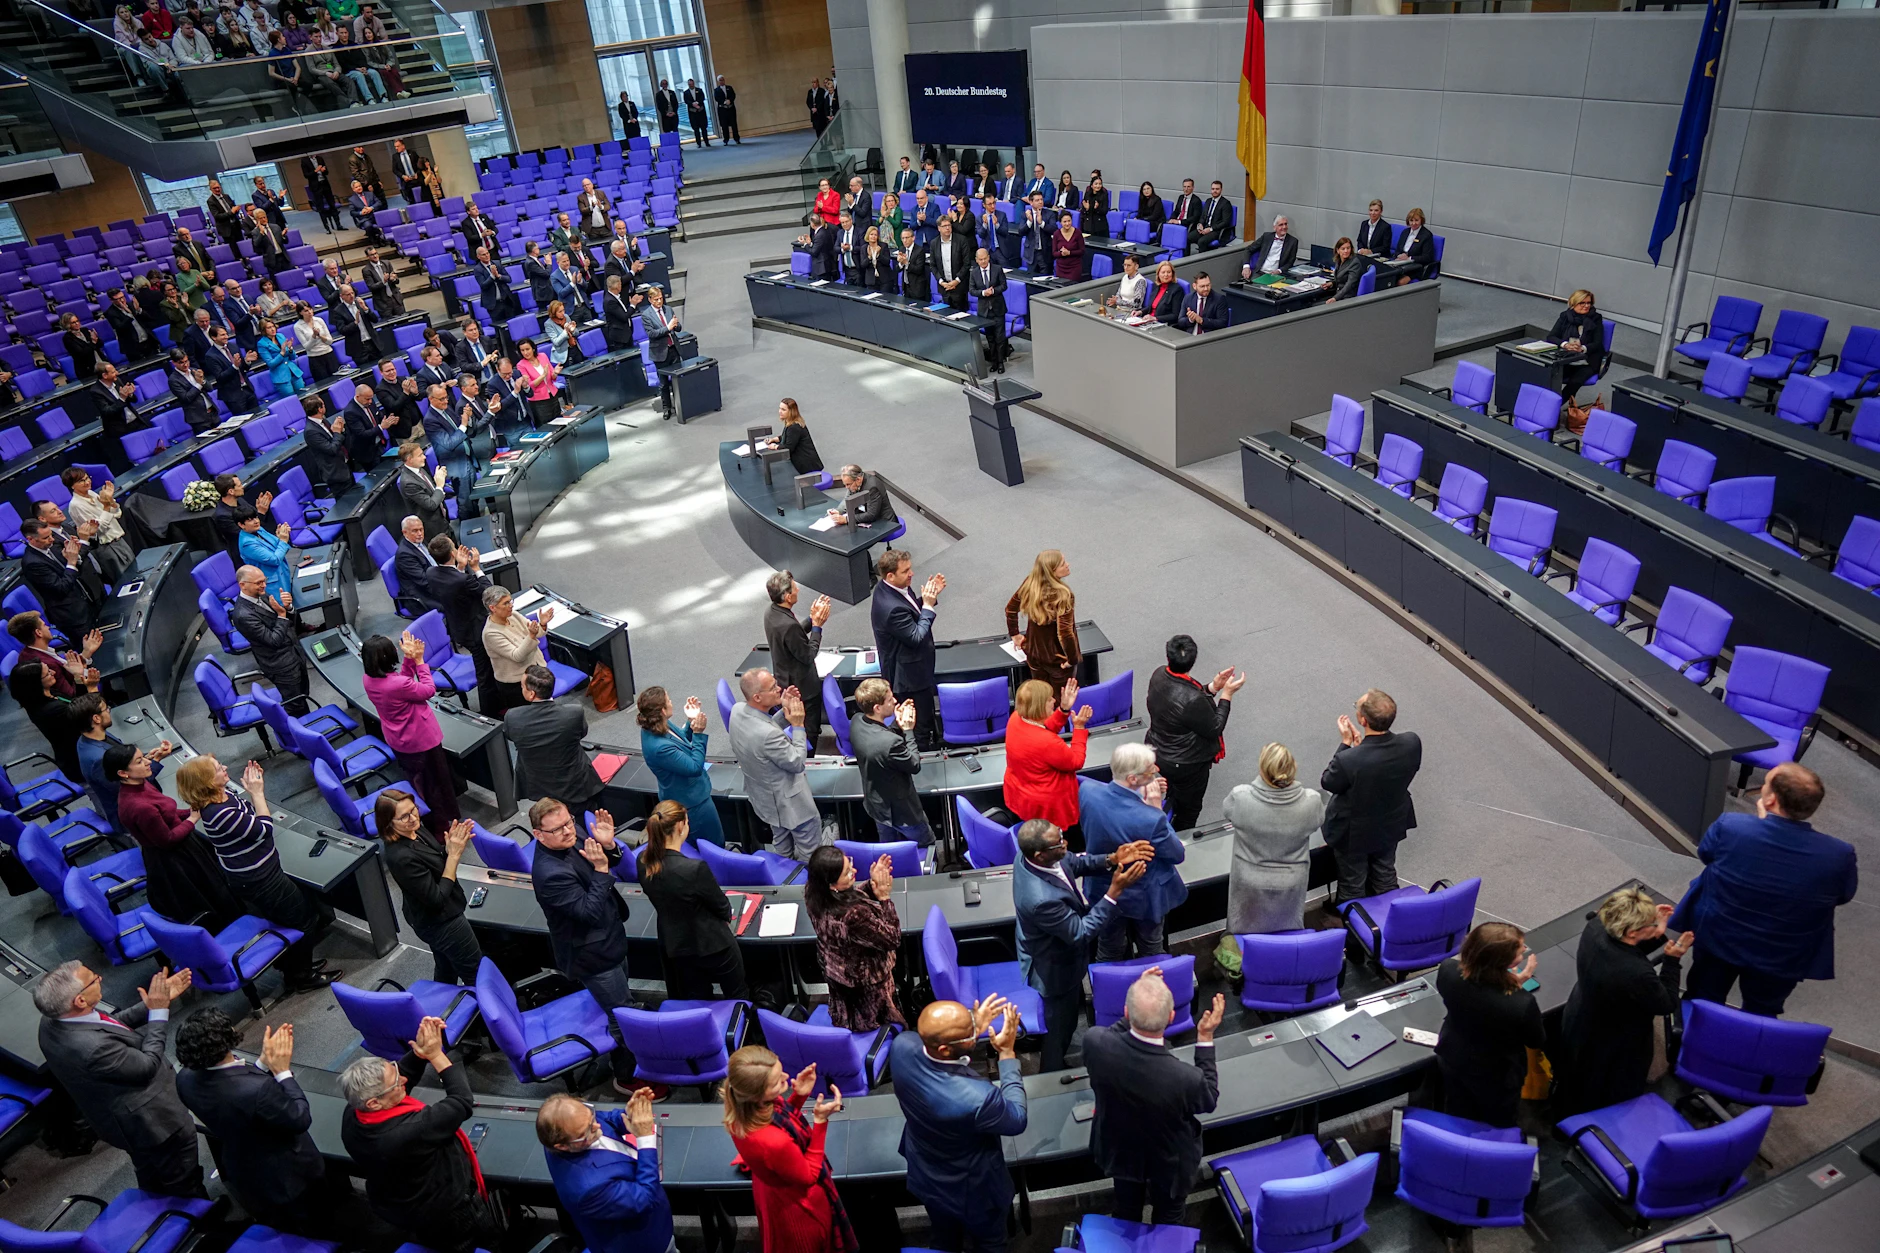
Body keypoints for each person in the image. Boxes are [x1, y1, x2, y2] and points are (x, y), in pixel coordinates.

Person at [1669, 762, 1855, 1017]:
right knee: (1762, 1013)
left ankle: (1688, 1051)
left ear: (1770, 800)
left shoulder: (1731, 827)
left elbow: (1706, 854)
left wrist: (1762, 824)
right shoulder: (1840, 854)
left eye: (1765, 784)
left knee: (1704, 998)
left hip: (1718, 936)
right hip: (1783, 954)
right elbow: (1843, 895)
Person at [35, 962, 203, 1197]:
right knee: (183, 1178)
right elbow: (146, 1065)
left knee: (151, 1172)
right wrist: (158, 1012)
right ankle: (203, 1223)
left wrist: (149, 1005)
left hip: (119, 1122)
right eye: (94, 979)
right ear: (79, 1001)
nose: (100, 978)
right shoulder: (92, 1049)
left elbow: (108, 1026)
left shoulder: (52, 1021)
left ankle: (159, 1208)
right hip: (154, 1123)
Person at [339, 1017, 499, 1252]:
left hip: (403, 1203)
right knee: (476, 1240)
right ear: (374, 1103)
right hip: (447, 1211)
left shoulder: (354, 1112)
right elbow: (461, 1102)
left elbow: (400, 1077)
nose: (403, 1079)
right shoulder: (408, 1131)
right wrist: (436, 1056)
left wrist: (419, 1053)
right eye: (396, 1083)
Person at [184, 755, 338, 992]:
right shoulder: (219, 813)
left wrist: (251, 793)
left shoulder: (222, 797)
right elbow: (263, 829)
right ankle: (301, 976)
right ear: (206, 781)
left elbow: (248, 814)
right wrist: (257, 793)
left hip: (255, 875)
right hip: (261, 880)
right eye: (218, 768)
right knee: (303, 919)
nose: (225, 767)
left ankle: (293, 966)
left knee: (288, 917)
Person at [175, 1012, 334, 1233]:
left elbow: (233, 1101)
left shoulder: (184, 1079)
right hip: (288, 1177)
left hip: (245, 1172)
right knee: (313, 1227)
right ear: (227, 1039)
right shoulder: (257, 1090)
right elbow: (299, 1117)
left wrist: (261, 1064)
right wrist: (282, 1072)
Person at [1087, 970, 1224, 1226]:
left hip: (1120, 1150)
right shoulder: (1186, 1079)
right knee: (1169, 1217)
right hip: (1169, 1163)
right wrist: (1205, 1037)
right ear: (1172, 1018)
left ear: (1127, 1013)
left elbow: (1113, 1035)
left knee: (1125, 1210)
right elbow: (1209, 1099)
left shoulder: (1094, 1043)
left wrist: (1140, 991)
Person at [891, 996, 1027, 1253]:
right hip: (974, 1190)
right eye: (971, 1033)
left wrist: (973, 1026)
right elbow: (1017, 1119)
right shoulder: (979, 1098)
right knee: (991, 1244)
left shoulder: (901, 1046)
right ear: (944, 1049)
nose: (975, 1033)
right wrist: (1007, 1054)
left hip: (926, 1173)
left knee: (943, 1238)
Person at [1012, 818, 1149, 1072]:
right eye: (1058, 843)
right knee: (1061, 1027)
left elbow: (1074, 862)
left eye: (1061, 835)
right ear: (1040, 854)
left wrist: (1110, 859)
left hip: (1052, 945)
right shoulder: (1040, 899)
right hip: (1054, 967)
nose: (1065, 843)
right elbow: (1080, 932)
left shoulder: (1034, 858)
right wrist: (1114, 892)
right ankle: (1051, 1074)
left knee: (1066, 1019)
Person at [1551, 887, 1691, 1119]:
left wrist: (1657, 930)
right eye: (1650, 923)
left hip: (1581, 1016)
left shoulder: (1595, 926)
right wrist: (1672, 960)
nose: (1655, 924)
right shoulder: (1636, 973)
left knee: (1575, 1080)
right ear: (1632, 931)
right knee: (1604, 1092)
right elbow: (1665, 1003)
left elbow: (1624, 947)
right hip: (1613, 1042)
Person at [530, 797, 637, 1091]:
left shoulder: (569, 833)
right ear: (538, 835)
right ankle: (627, 1077)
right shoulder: (549, 874)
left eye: (568, 822)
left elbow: (605, 860)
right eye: (558, 829)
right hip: (592, 954)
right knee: (622, 1015)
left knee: (621, 1002)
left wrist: (610, 846)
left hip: (609, 936)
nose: (569, 831)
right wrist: (602, 869)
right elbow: (588, 911)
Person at [722, 1046, 856, 1253]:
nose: (786, 1076)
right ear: (757, 1095)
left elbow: (779, 1120)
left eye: (781, 1070)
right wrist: (820, 1122)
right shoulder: (772, 1142)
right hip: (798, 1208)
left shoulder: (741, 1110)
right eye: (777, 1081)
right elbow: (808, 1175)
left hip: (772, 1187)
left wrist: (799, 1096)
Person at [108, 742, 240, 931]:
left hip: (182, 846)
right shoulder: (138, 806)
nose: (147, 762)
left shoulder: (140, 784)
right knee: (212, 895)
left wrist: (191, 810)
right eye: (140, 761)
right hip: (176, 860)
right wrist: (193, 818)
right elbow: (167, 840)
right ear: (123, 773)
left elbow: (167, 814)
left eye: (143, 757)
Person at [1080, 743, 1186, 963]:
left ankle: (1110, 987)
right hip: (1145, 897)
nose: (1156, 769)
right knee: (1151, 947)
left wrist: (1140, 795)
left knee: (1109, 948)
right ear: (1133, 779)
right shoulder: (1151, 818)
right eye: (1150, 769)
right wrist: (1155, 805)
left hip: (1103, 891)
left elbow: (1116, 801)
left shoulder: (1087, 791)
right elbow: (1177, 854)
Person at [1435, 922, 1544, 1128]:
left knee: (1459, 1108)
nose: (1523, 952)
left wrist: (1511, 983)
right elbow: (1535, 1039)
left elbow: (1477, 995)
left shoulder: (1448, 970)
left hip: (1452, 1056)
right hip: (1496, 1074)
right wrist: (1515, 986)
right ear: (1503, 962)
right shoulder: (1520, 1003)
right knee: (1498, 1120)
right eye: (1520, 951)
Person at [638, 800, 750, 999]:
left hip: (677, 945)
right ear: (681, 826)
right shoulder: (694, 869)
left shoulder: (643, 862)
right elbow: (722, 907)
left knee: (697, 995)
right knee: (737, 993)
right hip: (713, 945)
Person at [539, 1090, 671, 1253]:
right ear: (562, 1146)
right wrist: (645, 1138)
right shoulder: (589, 1189)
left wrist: (630, 1115)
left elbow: (607, 1119)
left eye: (592, 1118)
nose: (597, 1126)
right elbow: (646, 1198)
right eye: (587, 1131)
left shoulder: (576, 1123)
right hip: (640, 1242)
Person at [1321, 688, 1421, 903]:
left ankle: (1356, 933)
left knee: (1352, 885)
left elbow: (1329, 782)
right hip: (1391, 824)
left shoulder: (1349, 760)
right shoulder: (1412, 742)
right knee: (1385, 875)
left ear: (1362, 721)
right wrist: (1359, 749)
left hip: (1354, 834)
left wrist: (1346, 744)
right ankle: (1392, 924)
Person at [378, 790, 481, 983]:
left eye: (413, 809)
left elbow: (433, 860)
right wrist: (454, 856)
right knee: (476, 974)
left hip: (431, 917)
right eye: (404, 816)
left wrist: (448, 848)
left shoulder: (415, 829)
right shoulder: (401, 857)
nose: (413, 817)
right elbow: (438, 899)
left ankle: (442, 1007)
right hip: (441, 923)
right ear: (389, 823)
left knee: (446, 966)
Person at [362, 632, 462, 827]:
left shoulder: (369, 679)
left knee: (421, 783)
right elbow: (428, 690)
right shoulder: (396, 685)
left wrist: (408, 660)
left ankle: (437, 820)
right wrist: (419, 660)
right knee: (434, 787)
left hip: (400, 741)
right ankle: (441, 829)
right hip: (421, 741)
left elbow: (403, 683)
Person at [1222, 742, 1322, 934]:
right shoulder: (1312, 801)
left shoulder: (1241, 797)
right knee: (1286, 931)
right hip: (1292, 881)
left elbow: (1228, 811)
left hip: (1248, 880)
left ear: (1262, 769)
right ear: (1293, 767)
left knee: (1244, 934)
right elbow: (1318, 821)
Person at [802, 846, 902, 1031]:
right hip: (866, 985)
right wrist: (884, 897)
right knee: (882, 1024)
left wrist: (872, 884)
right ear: (831, 885)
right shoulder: (853, 916)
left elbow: (847, 897)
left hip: (837, 972)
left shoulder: (813, 892)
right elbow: (892, 938)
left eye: (851, 865)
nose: (854, 872)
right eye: (847, 873)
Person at [727, 669, 822, 863]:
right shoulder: (768, 735)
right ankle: (807, 884)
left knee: (781, 845)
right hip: (793, 806)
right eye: (773, 688)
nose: (779, 689)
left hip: (766, 802)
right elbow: (797, 763)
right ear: (757, 697)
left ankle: (784, 881)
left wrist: (783, 711)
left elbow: (765, 726)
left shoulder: (737, 710)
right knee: (810, 854)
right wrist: (798, 725)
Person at [507, 665, 606, 824]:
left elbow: (512, 737)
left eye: (522, 687)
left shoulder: (513, 717)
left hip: (538, 785)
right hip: (575, 785)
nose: (521, 689)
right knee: (585, 823)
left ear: (531, 694)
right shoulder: (573, 713)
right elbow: (582, 733)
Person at [870, 548, 943, 750]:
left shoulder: (893, 588)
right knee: (919, 725)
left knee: (924, 717)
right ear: (890, 575)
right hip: (909, 680)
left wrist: (929, 598)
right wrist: (928, 605)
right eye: (906, 571)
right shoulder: (891, 607)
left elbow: (912, 613)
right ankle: (921, 760)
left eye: (910, 569)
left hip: (916, 670)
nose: (911, 574)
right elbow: (915, 637)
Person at [637, 686, 725, 847]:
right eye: (668, 700)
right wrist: (698, 733)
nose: (672, 702)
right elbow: (694, 767)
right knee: (713, 846)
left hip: (691, 797)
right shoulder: (659, 747)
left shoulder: (658, 724)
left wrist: (690, 720)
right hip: (692, 805)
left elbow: (681, 739)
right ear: (663, 710)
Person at [850, 678, 932, 847]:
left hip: (877, 807)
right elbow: (914, 764)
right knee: (927, 843)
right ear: (877, 708)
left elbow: (880, 736)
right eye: (890, 700)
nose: (895, 701)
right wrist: (908, 730)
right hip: (903, 813)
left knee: (889, 850)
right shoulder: (890, 743)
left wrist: (897, 722)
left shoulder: (857, 721)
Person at [1004, 678, 1091, 834]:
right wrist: (1079, 728)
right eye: (1049, 699)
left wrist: (1063, 710)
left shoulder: (1016, 719)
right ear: (1039, 706)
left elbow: (1042, 728)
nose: (1054, 700)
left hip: (1023, 798)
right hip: (1050, 811)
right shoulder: (1047, 743)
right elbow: (1076, 761)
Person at [231, 561, 310, 714]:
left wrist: (288, 609)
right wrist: (282, 615)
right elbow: (273, 640)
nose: (264, 585)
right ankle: (303, 734)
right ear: (243, 585)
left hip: (294, 653)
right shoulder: (243, 615)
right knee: (295, 705)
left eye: (264, 581)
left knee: (302, 696)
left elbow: (287, 624)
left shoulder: (261, 594)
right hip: (281, 666)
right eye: (258, 583)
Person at [763, 568, 831, 746]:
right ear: (787, 596)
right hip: (803, 689)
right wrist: (817, 627)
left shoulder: (771, 612)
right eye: (795, 588)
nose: (798, 590)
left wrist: (811, 619)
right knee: (810, 730)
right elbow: (808, 655)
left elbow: (792, 637)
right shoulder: (787, 625)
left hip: (784, 678)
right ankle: (809, 758)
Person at [1005, 549, 1078, 701]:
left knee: (1042, 699)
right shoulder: (1063, 595)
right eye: (1063, 563)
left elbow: (1010, 609)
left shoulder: (1030, 583)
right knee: (1060, 702)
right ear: (1052, 571)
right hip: (1057, 659)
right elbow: (1065, 633)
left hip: (1033, 654)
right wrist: (1072, 659)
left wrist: (1015, 634)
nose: (1068, 565)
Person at [20, 520, 100, 643]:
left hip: (85, 605)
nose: (52, 539)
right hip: (72, 617)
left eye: (51, 535)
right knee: (91, 652)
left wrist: (74, 553)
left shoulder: (50, 548)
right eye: (46, 537)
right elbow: (61, 587)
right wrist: (71, 561)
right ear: (31, 539)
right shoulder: (32, 563)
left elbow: (72, 566)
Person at [479, 585, 539, 718]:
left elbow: (535, 630)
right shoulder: (491, 633)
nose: (511, 605)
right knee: (527, 718)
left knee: (540, 712)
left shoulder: (514, 615)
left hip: (533, 670)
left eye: (511, 601)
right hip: (515, 683)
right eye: (506, 603)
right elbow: (517, 656)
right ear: (492, 608)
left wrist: (543, 624)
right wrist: (532, 636)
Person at [62, 470, 132, 583]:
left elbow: (117, 514)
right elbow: (98, 530)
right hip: (107, 548)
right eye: (81, 481)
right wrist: (106, 506)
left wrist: (110, 501)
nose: (87, 482)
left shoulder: (92, 494)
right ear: (72, 486)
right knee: (126, 581)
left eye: (87, 478)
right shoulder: (75, 505)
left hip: (119, 540)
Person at [1548, 288, 1607, 406]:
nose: (1586, 306)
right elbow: (1551, 337)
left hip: (1587, 361)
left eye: (1589, 303)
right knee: (1549, 376)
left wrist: (1582, 348)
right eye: (1582, 303)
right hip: (1566, 359)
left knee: (1575, 382)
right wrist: (1566, 345)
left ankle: (1553, 407)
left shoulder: (1596, 318)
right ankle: (1547, 404)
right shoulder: (1565, 316)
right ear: (1573, 303)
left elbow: (1597, 343)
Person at [236, 506, 295, 602]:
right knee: (285, 611)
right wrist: (283, 540)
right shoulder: (247, 544)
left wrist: (281, 535)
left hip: (283, 574)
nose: (256, 521)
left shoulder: (259, 530)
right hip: (273, 584)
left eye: (256, 517)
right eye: (250, 520)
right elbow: (274, 559)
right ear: (241, 525)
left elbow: (278, 545)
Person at [255, 317, 305, 394]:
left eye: (273, 326)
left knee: (305, 396)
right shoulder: (262, 344)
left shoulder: (280, 336)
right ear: (263, 330)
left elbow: (293, 357)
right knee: (291, 401)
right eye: (269, 328)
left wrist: (290, 349)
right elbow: (271, 364)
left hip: (294, 372)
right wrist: (282, 352)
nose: (272, 329)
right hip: (281, 377)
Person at [930, 218, 971, 311]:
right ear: (939, 228)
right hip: (944, 288)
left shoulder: (961, 240)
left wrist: (956, 281)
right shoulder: (934, 243)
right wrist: (941, 282)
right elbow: (933, 265)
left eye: (949, 225)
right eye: (944, 226)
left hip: (959, 288)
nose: (947, 228)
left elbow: (966, 264)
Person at [1243, 214, 1298, 279]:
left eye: (1285, 224)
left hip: (1277, 275)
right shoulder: (1266, 236)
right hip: (1259, 272)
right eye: (1281, 225)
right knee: (1252, 287)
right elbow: (1248, 250)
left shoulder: (1293, 241)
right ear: (1274, 227)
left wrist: (1279, 271)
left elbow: (1290, 263)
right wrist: (1246, 267)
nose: (1284, 227)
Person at [1394, 207, 1435, 283]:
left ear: (1421, 220)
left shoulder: (1426, 235)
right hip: (1401, 264)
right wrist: (1399, 256)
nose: (1413, 223)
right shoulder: (1405, 232)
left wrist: (1409, 258)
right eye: (1411, 220)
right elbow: (1397, 250)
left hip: (1416, 267)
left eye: (1416, 220)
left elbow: (1427, 257)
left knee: (1400, 282)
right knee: (1387, 278)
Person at [1193, 180, 1233, 250]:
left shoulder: (1226, 203)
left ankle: (1203, 260)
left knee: (1201, 242)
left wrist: (1211, 229)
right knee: (1188, 237)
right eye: (1213, 189)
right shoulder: (1208, 201)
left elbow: (1225, 222)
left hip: (1217, 230)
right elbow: (1203, 216)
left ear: (1221, 190)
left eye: (1217, 189)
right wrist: (1200, 224)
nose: (1215, 191)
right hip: (1205, 227)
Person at [1105, 253, 1148, 319]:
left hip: (1131, 313)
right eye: (1124, 265)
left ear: (1136, 266)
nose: (1125, 268)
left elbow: (1136, 304)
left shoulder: (1140, 281)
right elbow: (1118, 294)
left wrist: (1118, 301)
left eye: (1129, 265)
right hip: (1119, 310)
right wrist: (1113, 300)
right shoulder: (1124, 277)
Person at [1324, 236, 1365, 303]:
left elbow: (1349, 285)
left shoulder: (1354, 263)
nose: (1346, 251)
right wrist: (1332, 283)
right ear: (1338, 250)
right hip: (1339, 294)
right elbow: (1341, 279)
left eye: (1348, 248)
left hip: (1348, 298)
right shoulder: (1339, 260)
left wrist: (1335, 298)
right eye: (1343, 249)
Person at [1143, 259, 1183, 327]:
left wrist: (1155, 318)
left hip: (1162, 324)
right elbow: (1152, 307)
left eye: (1169, 272)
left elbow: (1175, 315)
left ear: (1172, 274)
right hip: (1149, 321)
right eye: (1163, 272)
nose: (1166, 275)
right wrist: (1140, 312)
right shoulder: (1156, 286)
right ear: (1158, 274)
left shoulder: (1177, 290)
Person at [1050, 211, 1085, 283]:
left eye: (1069, 221)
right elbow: (1054, 253)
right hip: (1061, 268)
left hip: (1074, 267)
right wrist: (1061, 253)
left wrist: (1069, 253)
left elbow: (1082, 251)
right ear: (1060, 222)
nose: (1067, 223)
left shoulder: (1078, 233)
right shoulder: (1056, 234)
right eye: (1064, 221)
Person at [710, 78, 740, 145]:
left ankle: (737, 139)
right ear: (718, 81)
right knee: (724, 125)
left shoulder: (729, 87)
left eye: (722, 80)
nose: (721, 81)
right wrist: (724, 102)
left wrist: (730, 100)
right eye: (720, 80)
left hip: (731, 109)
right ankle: (726, 140)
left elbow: (733, 95)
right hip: (723, 110)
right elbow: (716, 98)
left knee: (734, 125)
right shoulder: (716, 90)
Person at [681, 77, 709, 146]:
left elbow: (702, 97)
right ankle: (698, 143)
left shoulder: (699, 90)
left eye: (692, 84)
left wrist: (697, 102)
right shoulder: (686, 93)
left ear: (694, 83)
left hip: (701, 112)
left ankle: (706, 142)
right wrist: (692, 104)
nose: (691, 85)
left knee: (704, 128)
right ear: (688, 85)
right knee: (696, 129)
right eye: (690, 84)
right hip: (693, 113)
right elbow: (686, 101)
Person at [1081, 171, 1110, 238]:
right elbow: (1083, 211)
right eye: (1096, 184)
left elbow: (1105, 211)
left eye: (1100, 184)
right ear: (1092, 185)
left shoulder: (1104, 194)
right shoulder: (1087, 194)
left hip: (1100, 227)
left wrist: (1097, 208)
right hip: (1088, 226)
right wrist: (1087, 209)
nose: (1098, 186)